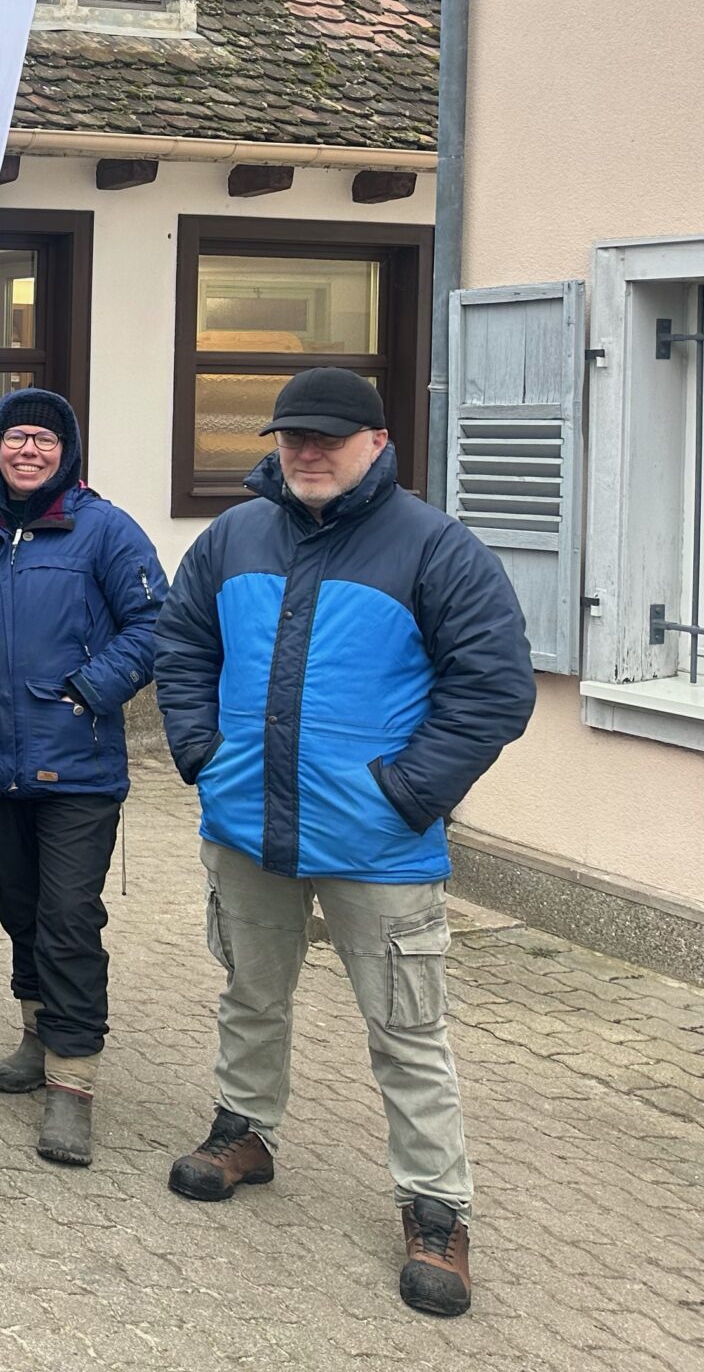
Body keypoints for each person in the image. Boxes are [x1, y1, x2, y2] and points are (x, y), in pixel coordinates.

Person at [153, 367, 535, 1320]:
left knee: (406, 1031)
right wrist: (203, 751)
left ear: (376, 442)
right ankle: (244, 1131)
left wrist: (406, 791)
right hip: (248, 826)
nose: (307, 453)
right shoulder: (234, 536)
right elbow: (182, 646)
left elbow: (493, 688)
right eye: (293, 438)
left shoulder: (434, 547)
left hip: (378, 843)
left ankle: (436, 1209)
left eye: (328, 438)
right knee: (249, 991)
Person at [0, 388, 163, 1167]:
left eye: (45, 439)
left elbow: (156, 623)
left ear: (68, 451)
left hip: (81, 767)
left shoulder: (105, 530)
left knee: (68, 918)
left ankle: (72, 1083)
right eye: (15, 437)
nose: (29, 450)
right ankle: (34, 1038)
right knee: (19, 908)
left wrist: (95, 687)